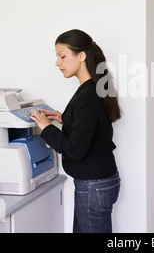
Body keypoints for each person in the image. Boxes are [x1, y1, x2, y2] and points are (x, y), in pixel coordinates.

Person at [30, 29, 121, 233]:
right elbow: (95, 125)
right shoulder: (93, 88)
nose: (57, 63)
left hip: (93, 187)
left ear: (81, 56)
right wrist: (65, 118)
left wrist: (46, 128)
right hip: (98, 183)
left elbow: (74, 149)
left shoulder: (88, 95)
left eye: (62, 56)